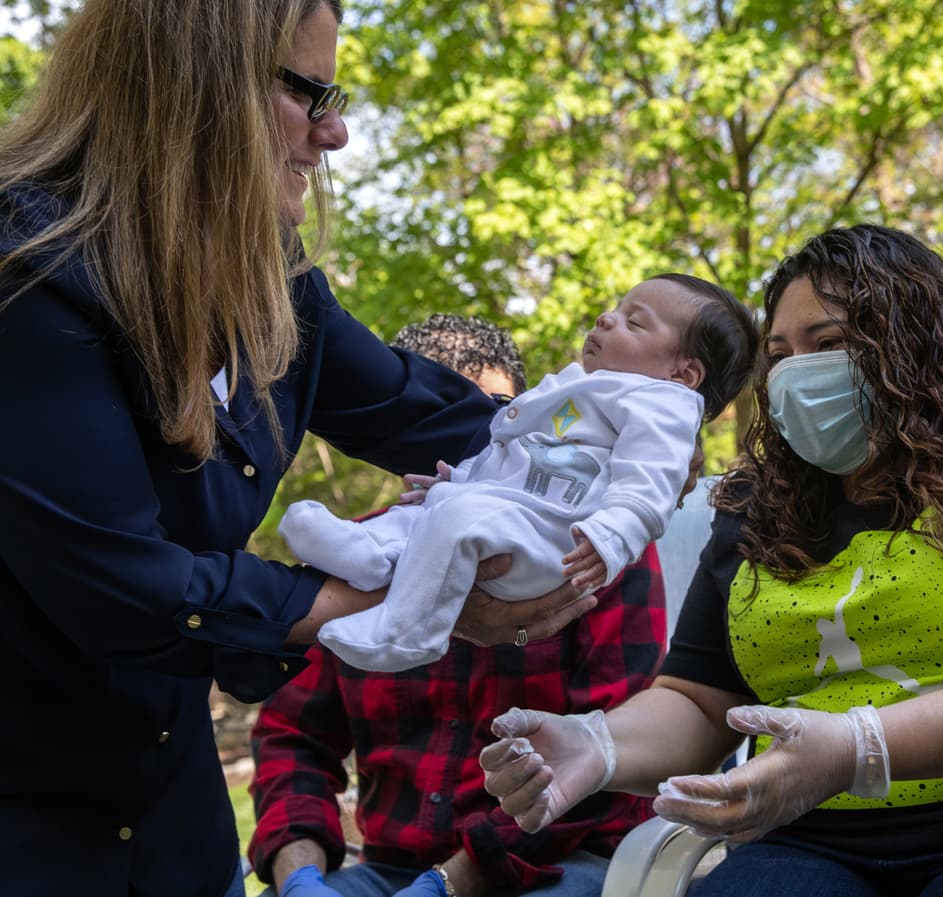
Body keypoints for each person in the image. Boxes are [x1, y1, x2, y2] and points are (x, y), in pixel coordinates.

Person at [0, 4, 593, 896]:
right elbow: (122, 585)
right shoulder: (29, 270)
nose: (337, 131)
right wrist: (415, 589)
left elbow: (427, 412)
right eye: (308, 93)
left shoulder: (267, 280)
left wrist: (610, 440)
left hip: (171, 815)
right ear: (192, 88)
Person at [480, 224, 943, 897]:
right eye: (778, 354)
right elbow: (700, 702)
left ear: (924, 346)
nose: (793, 374)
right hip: (826, 843)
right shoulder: (760, 503)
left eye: (829, 342)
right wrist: (598, 744)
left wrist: (860, 745)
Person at [249, 313, 674, 897]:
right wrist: (299, 874)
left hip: (556, 864)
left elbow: (608, 753)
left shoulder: (593, 557)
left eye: (495, 409)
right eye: (440, 416)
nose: (476, 433)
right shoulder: (359, 560)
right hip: (386, 870)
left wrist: (447, 883)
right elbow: (293, 735)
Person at [278, 275, 757, 672]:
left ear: (684, 375)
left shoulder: (662, 404)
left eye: (634, 322)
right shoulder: (590, 395)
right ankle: (370, 556)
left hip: (555, 542)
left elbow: (647, 484)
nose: (606, 318)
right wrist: (462, 478)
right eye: (616, 308)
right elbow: (513, 453)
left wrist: (612, 535)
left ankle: (407, 631)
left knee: (456, 518)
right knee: (432, 508)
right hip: (518, 511)